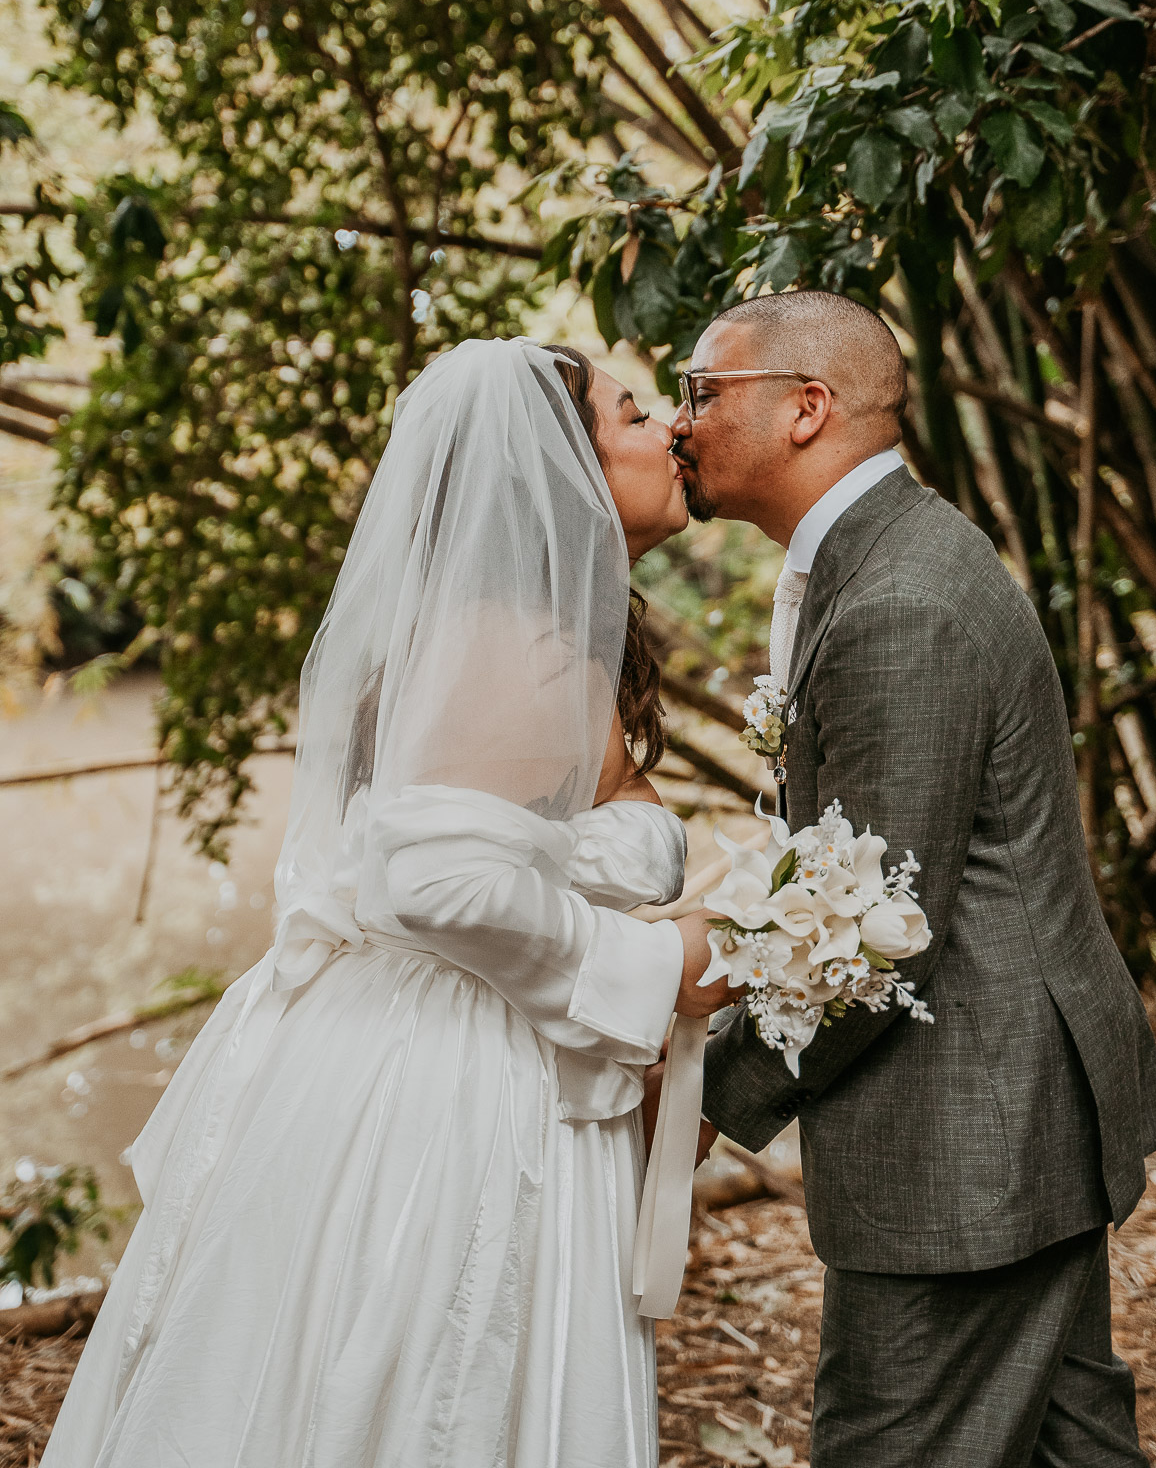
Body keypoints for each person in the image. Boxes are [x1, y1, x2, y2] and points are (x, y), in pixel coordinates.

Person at [42, 338, 731, 1468]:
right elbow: (438, 881)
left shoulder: (516, 638)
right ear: (559, 470)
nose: (671, 429)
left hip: (404, 1049)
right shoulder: (521, 652)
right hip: (452, 1091)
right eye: (635, 412)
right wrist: (653, 967)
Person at [669, 288, 1156, 1468]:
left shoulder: (900, 600)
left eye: (703, 390)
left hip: (970, 1144)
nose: (680, 420)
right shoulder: (885, 556)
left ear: (806, 408)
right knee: (1074, 1447)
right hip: (1011, 1115)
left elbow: (880, 932)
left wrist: (706, 1094)